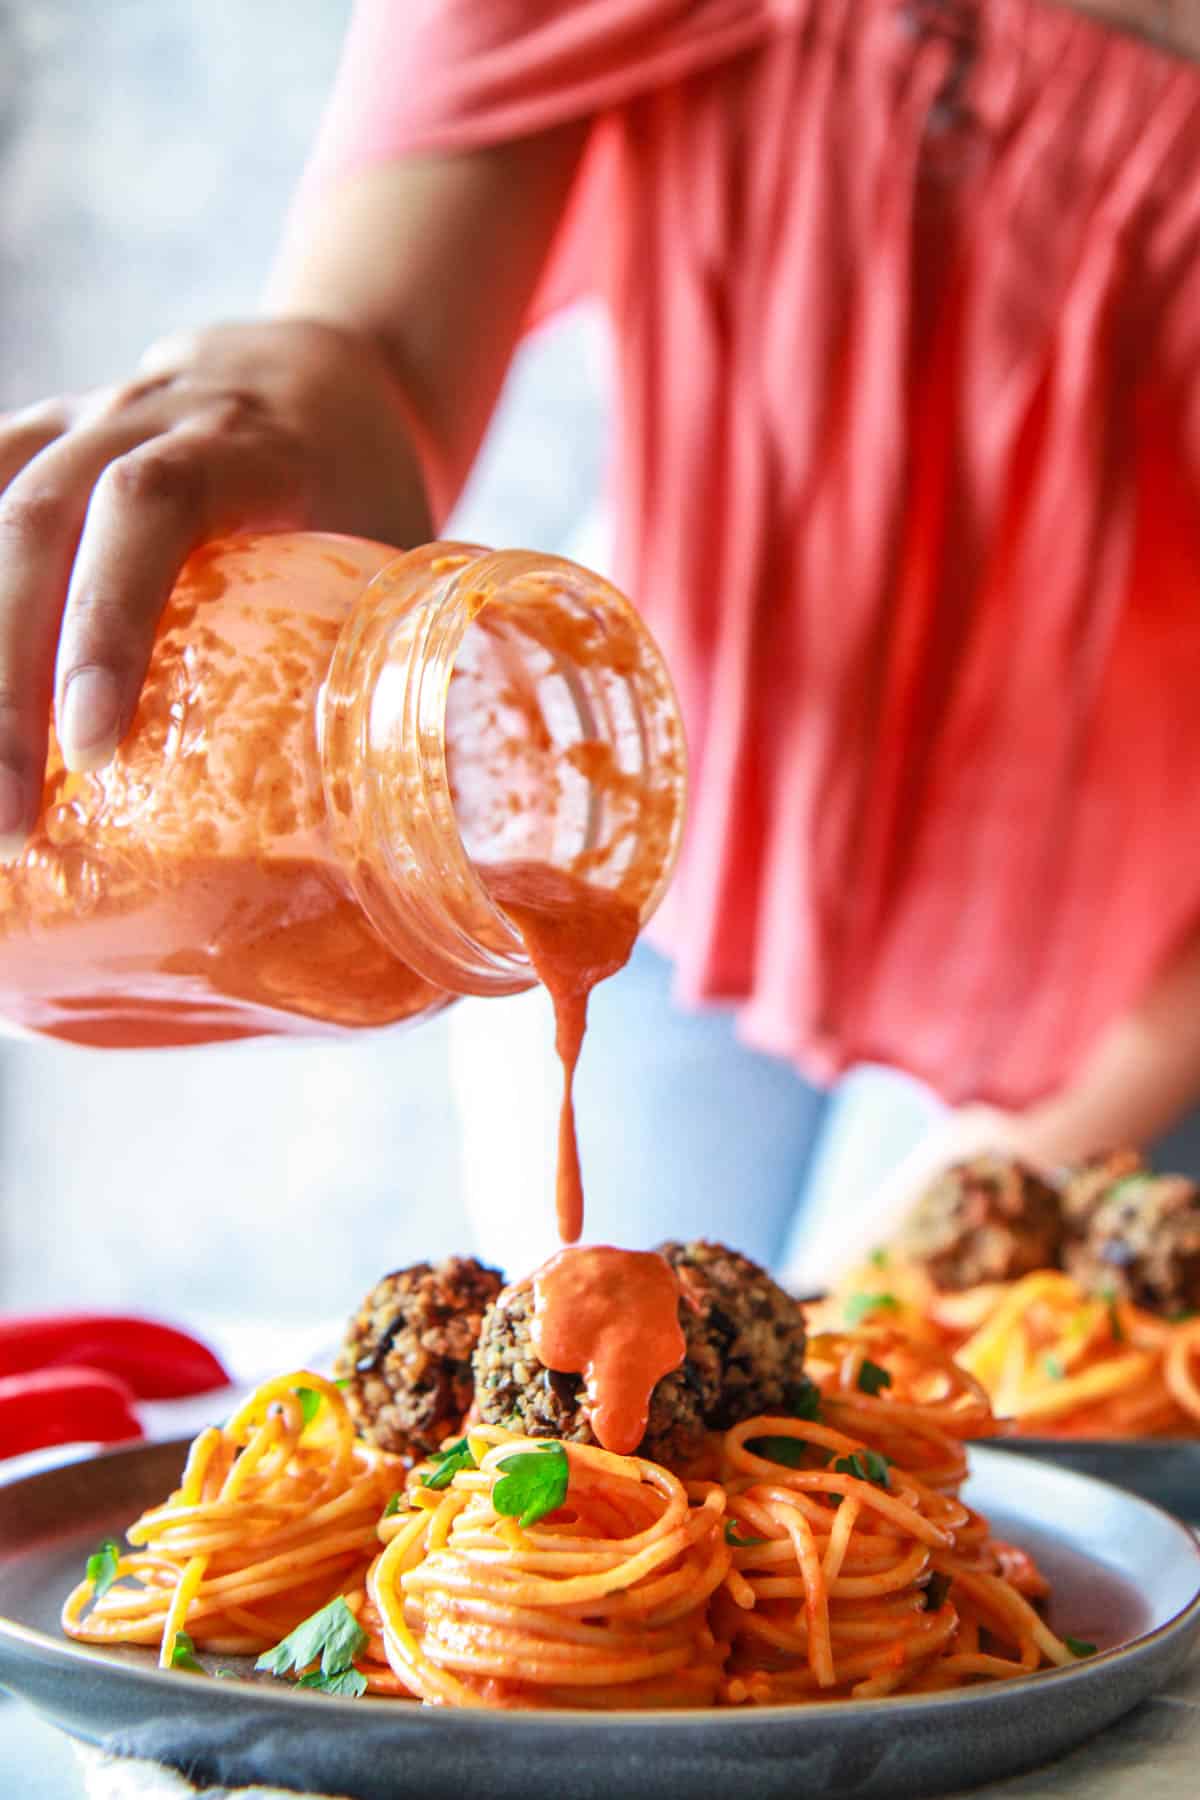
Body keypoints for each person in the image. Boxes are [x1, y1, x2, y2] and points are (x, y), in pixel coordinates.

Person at [3, 0, 1200, 1282]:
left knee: (928, 1428)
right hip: (647, 847)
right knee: (587, 1371)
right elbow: (383, 346)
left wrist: (911, 1269)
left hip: (1138, 973)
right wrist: (282, 402)